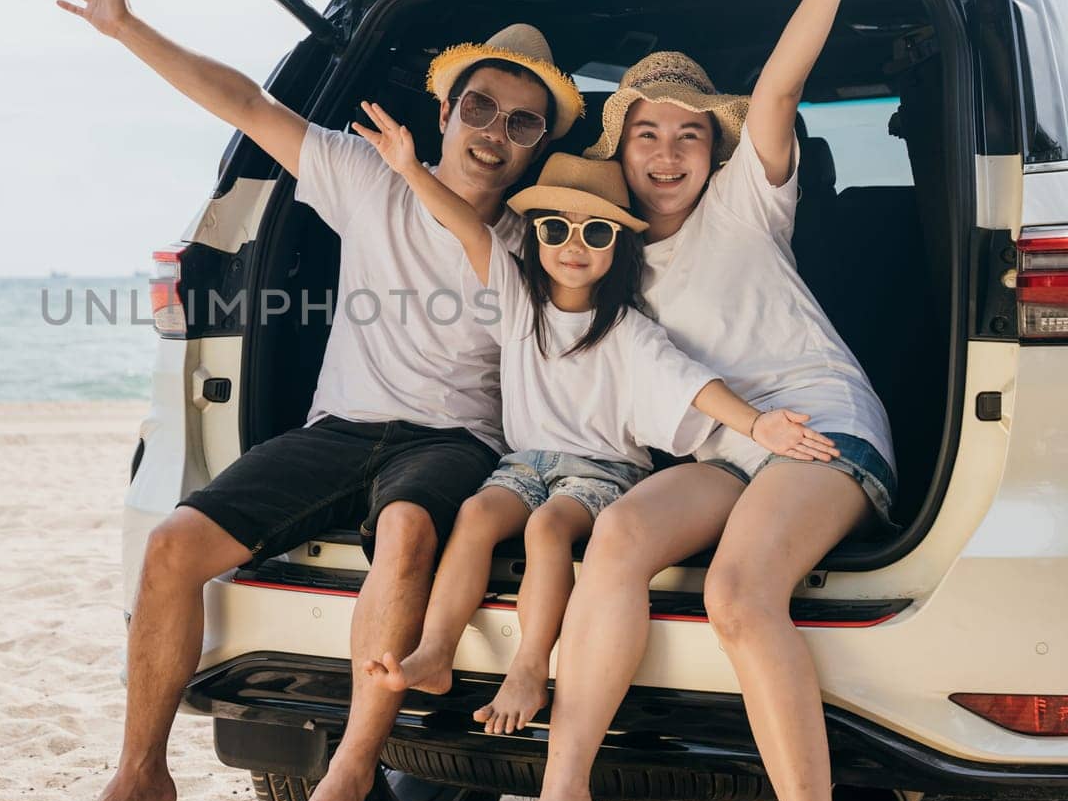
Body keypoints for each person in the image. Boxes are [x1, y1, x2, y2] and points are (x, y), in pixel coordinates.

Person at [54, 0, 587, 801]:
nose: (494, 131)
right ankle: (141, 771)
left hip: (451, 441)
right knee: (171, 549)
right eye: (481, 107)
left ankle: (348, 773)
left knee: (410, 529)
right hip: (341, 427)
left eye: (522, 122)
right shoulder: (368, 174)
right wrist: (125, 28)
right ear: (446, 110)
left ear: (536, 147)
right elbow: (246, 104)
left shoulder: (535, 242)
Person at [529, 0, 900, 801]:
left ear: (713, 151)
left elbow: (775, 93)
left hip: (819, 427)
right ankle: (563, 791)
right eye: (648, 133)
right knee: (615, 536)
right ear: (621, 145)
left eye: (689, 135)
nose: (667, 152)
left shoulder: (747, 204)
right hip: (731, 447)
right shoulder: (598, 249)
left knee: (737, 595)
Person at [347, 108, 837, 736]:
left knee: (549, 530)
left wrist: (758, 425)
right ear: (534, 237)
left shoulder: (630, 329)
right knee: (474, 517)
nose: (573, 246)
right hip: (523, 464)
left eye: (597, 234)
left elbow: (695, 385)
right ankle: (437, 651)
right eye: (555, 228)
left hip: (601, 472)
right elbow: (465, 226)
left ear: (619, 245)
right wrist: (410, 168)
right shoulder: (516, 299)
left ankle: (529, 668)